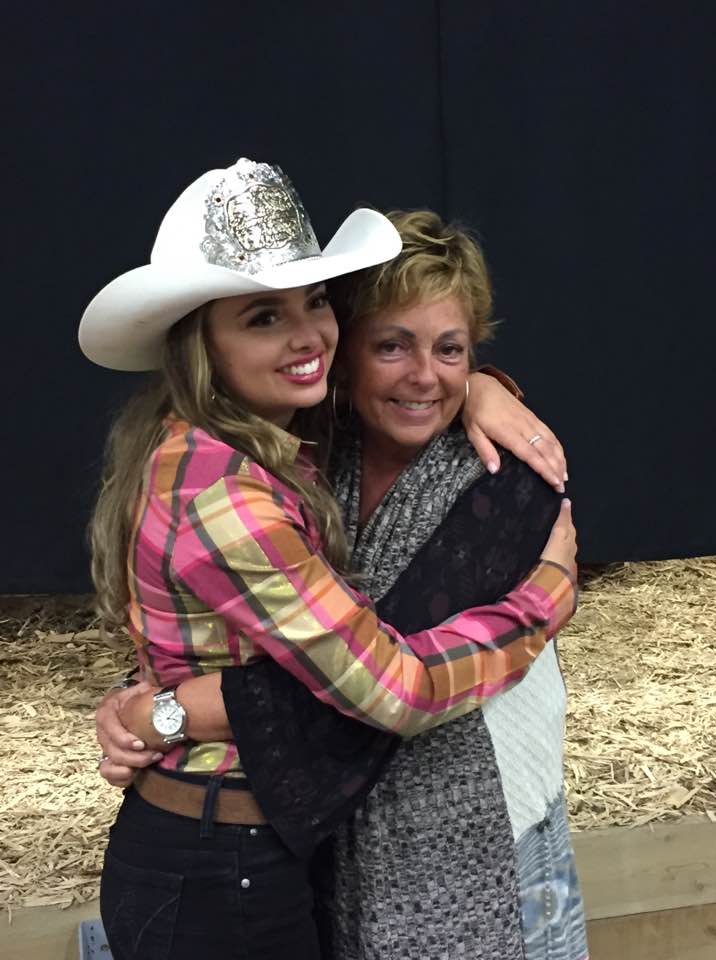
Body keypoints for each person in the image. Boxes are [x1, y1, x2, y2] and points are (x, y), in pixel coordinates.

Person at [83, 157, 577, 960]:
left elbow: (230, 647)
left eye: (314, 304)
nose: (305, 334)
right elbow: (391, 685)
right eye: (263, 317)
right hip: (222, 860)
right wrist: (544, 601)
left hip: (298, 851)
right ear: (202, 341)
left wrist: (483, 384)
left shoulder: (291, 451)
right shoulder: (232, 487)